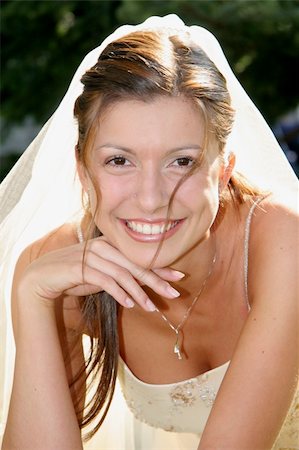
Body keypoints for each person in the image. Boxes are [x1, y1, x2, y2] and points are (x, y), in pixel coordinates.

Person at [0, 14, 298, 450]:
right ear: (83, 172)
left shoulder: (284, 246)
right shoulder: (58, 271)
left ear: (224, 172)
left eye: (182, 161)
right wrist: (30, 296)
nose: (152, 198)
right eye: (119, 161)